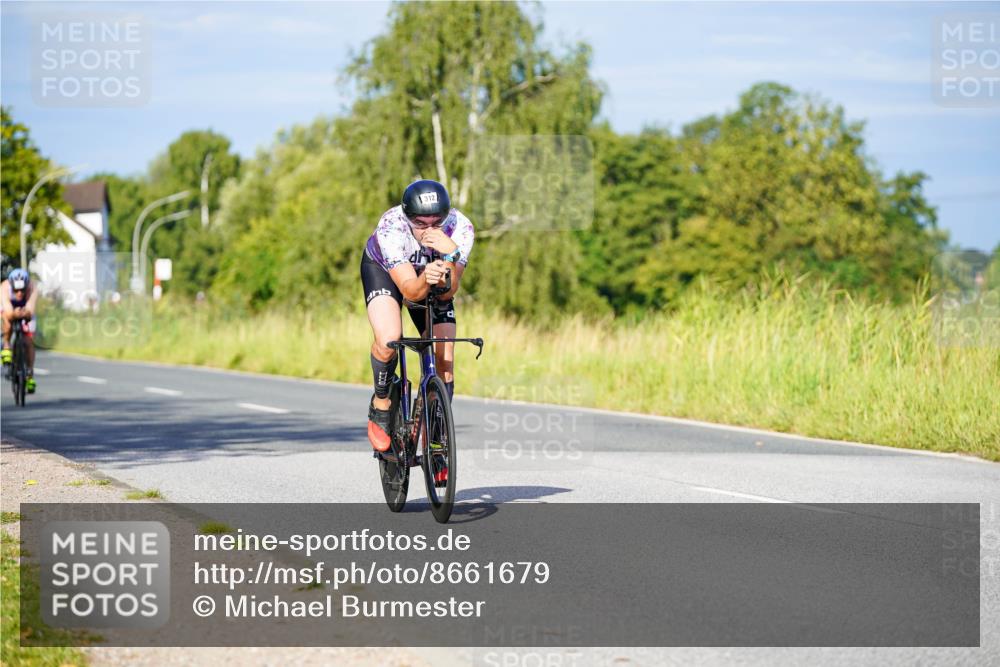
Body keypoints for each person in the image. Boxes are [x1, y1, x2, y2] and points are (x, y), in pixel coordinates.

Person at [361, 179, 474, 452]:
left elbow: (448, 292)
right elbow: (411, 293)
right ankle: (382, 401)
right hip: (387, 274)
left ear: (446, 215)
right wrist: (427, 277)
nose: (429, 230)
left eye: (437, 221)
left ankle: (437, 434)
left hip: (431, 276)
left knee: (444, 360)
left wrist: (451, 255)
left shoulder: (461, 228)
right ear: (407, 217)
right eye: (421, 223)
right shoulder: (391, 227)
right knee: (390, 339)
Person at [1, 268, 39, 393]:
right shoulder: (4, 287)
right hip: (9, 309)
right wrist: (13, 314)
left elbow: (30, 311)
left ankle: (29, 374)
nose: (19, 293)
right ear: (11, 285)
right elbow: (8, 311)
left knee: (28, 341)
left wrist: (25, 314)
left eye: (22, 290)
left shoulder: (32, 288)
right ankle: (6, 345)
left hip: (25, 310)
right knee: (7, 321)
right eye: (16, 290)